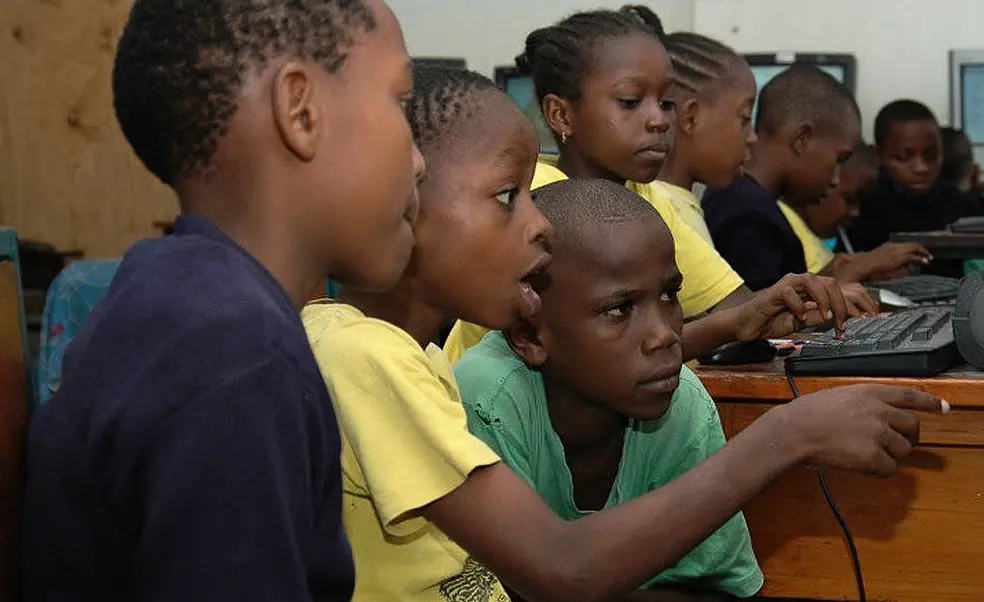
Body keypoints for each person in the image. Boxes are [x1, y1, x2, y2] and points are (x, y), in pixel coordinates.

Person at [306, 66, 948, 602]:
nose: (537, 225)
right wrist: (787, 436)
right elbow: (561, 567)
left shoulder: (408, 358)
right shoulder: (366, 354)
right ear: (401, 201)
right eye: (509, 197)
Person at [21, 0, 422, 600]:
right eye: (402, 102)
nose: (418, 161)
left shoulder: (181, 301)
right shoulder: (239, 361)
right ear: (301, 111)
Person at [454, 179, 950, 601]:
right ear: (529, 336)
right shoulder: (487, 404)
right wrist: (784, 436)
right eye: (618, 309)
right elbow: (543, 581)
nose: (665, 334)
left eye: (670, 295)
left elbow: (720, 590)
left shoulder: (680, 400)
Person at [444, 6, 871, 365]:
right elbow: (610, 358)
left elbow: (737, 307)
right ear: (560, 116)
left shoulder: (647, 197)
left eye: (665, 101)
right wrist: (737, 323)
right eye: (631, 102)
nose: (659, 119)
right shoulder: (544, 200)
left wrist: (789, 309)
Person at [698, 66, 879, 312]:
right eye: (838, 160)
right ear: (802, 139)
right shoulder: (747, 213)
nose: (836, 179)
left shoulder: (746, 200)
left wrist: (830, 276)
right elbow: (760, 325)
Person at [651, 31, 758, 246]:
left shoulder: (664, 205)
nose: (753, 137)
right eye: (744, 119)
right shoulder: (675, 219)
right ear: (691, 118)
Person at [846, 100, 984, 252]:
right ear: (878, 155)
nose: (921, 168)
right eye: (903, 157)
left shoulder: (955, 199)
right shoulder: (865, 206)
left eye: (931, 155)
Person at [788, 142, 932, 282]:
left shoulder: (812, 239)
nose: (855, 212)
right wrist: (865, 264)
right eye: (850, 200)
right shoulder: (786, 230)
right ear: (827, 181)